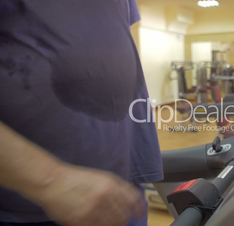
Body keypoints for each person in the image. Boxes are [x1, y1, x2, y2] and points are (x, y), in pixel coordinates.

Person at [0, 0, 162, 226]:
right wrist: (50, 180)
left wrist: (143, 162)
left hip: (118, 195)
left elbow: (113, 43)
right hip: (38, 207)